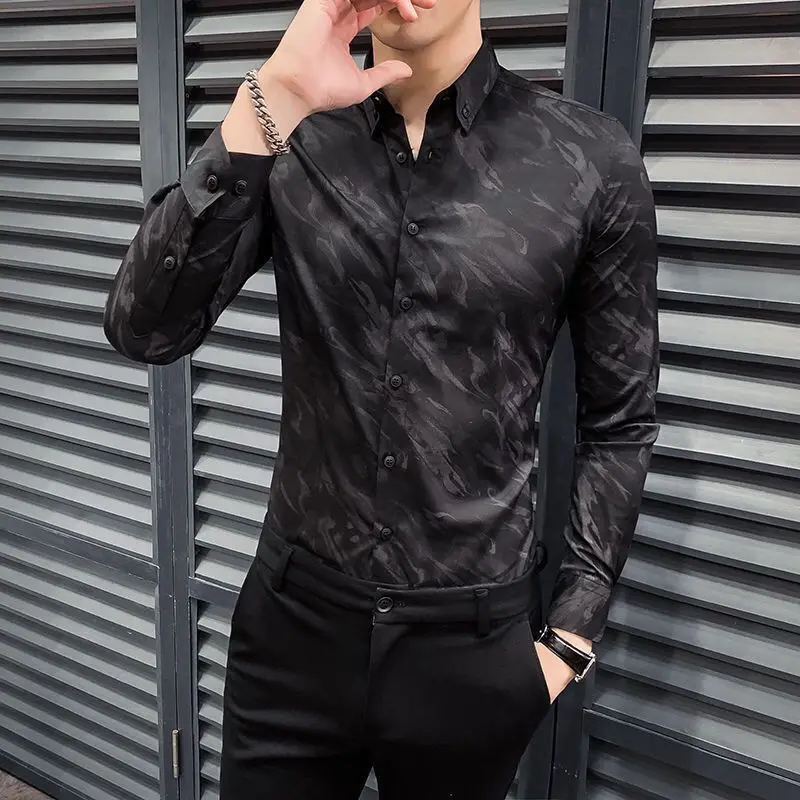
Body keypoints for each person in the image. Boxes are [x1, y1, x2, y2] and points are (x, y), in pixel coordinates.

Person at [104, 0, 659, 796]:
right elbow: (143, 328)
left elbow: (620, 422)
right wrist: (271, 100)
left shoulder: (588, 158)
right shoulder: (293, 133)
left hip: (471, 649)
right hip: (292, 634)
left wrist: (571, 633)